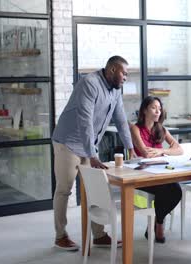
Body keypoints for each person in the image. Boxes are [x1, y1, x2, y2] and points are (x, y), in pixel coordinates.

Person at [52, 56, 136, 251]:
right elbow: (85, 121)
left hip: (88, 147)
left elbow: (121, 120)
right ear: (113, 70)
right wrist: (93, 154)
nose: (126, 77)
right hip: (68, 143)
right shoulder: (89, 84)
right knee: (64, 189)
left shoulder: (115, 90)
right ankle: (60, 236)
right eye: (124, 72)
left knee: (95, 189)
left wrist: (130, 147)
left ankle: (98, 235)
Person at [129, 96, 183, 243]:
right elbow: (145, 153)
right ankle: (159, 225)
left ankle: (157, 222)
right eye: (153, 108)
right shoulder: (136, 129)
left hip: (160, 174)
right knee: (168, 191)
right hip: (142, 176)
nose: (157, 111)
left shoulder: (161, 129)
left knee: (176, 191)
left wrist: (161, 152)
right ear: (144, 110)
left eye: (159, 109)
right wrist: (162, 151)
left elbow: (179, 149)